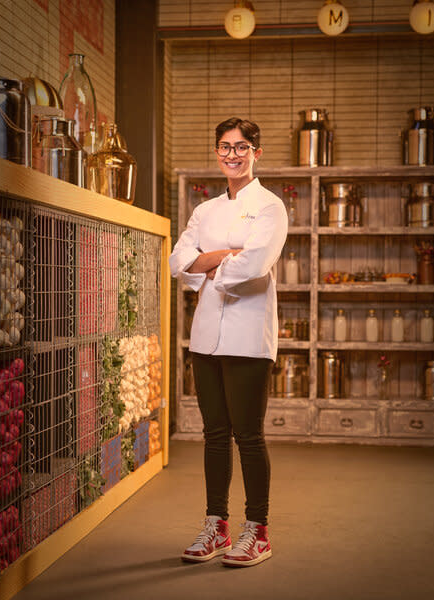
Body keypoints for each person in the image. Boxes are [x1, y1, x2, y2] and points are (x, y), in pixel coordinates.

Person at [169, 117, 288, 568]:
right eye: (224, 147)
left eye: (241, 147)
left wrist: (209, 266)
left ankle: (257, 531)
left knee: (249, 436)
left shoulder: (270, 206)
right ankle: (215, 524)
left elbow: (255, 264)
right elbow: (178, 262)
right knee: (214, 435)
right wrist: (222, 257)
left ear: (257, 151)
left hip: (247, 336)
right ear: (217, 152)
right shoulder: (205, 211)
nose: (232, 154)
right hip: (205, 336)